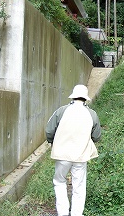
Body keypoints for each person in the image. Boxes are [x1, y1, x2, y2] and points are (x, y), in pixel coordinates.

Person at [45, 84, 101, 216]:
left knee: (59, 181)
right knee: (79, 186)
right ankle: (76, 214)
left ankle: (63, 212)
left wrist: (52, 141)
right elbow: (97, 136)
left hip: (62, 154)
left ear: (73, 97)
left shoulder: (61, 111)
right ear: (85, 99)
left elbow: (49, 130)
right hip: (81, 156)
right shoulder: (92, 114)